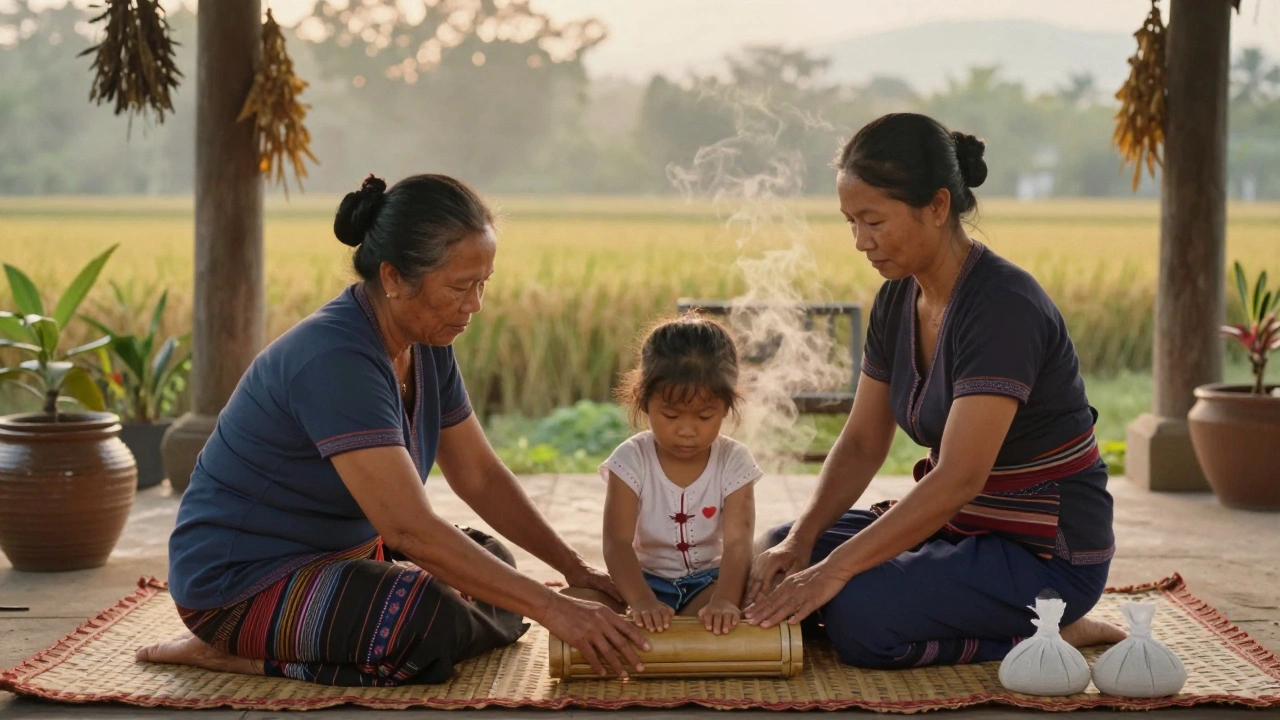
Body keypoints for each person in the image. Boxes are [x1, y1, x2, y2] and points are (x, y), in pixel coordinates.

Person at [137, 173, 649, 685]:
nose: (475, 305)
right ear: (393, 278)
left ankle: (388, 620)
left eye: (483, 284)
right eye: (458, 287)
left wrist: (573, 571)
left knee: (494, 563)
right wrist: (554, 610)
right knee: (432, 619)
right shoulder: (336, 358)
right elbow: (407, 528)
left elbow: (481, 477)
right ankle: (235, 655)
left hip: (343, 558)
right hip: (241, 585)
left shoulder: (429, 345)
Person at [742, 113, 1126, 669]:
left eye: (873, 221)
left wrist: (833, 572)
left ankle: (1053, 629)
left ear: (938, 206)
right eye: (851, 222)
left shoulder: (1003, 307)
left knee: (857, 613)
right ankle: (924, 593)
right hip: (960, 531)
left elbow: (959, 477)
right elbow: (861, 445)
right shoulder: (898, 298)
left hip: (1043, 555)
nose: (859, 242)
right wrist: (802, 542)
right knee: (775, 553)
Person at [564, 314, 763, 637]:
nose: (686, 430)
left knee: (755, 599)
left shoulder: (735, 461)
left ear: (727, 406)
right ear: (643, 402)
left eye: (704, 415)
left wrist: (725, 601)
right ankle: (672, 628)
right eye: (670, 415)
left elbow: (739, 544)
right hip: (643, 583)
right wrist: (641, 601)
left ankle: (677, 627)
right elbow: (617, 543)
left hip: (708, 586)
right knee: (574, 601)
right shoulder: (630, 460)